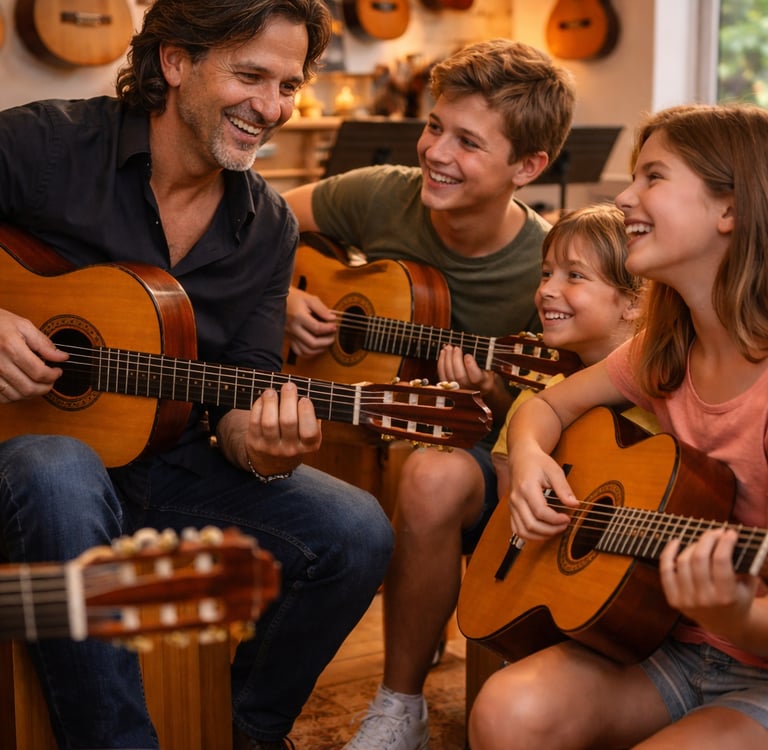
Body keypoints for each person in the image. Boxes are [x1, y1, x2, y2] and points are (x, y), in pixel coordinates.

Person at [0, 1, 394, 748]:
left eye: (288, 85)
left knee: (355, 530)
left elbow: (243, 390)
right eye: (251, 76)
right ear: (175, 61)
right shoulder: (46, 146)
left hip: (165, 469)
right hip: (23, 471)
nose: (271, 107)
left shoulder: (268, 227)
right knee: (58, 466)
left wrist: (265, 447)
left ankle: (242, 732)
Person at [283, 38, 575, 750]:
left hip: (477, 460)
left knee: (429, 474)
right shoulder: (383, 193)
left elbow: (552, 404)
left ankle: (399, 707)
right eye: (435, 126)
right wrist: (281, 294)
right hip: (358, 417)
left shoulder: (544, 271)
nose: (436, 153)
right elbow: (256, 219)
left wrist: (493, 392)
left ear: (528, 167)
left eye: (468, 142)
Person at [469, 102, 768, 750]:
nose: (625, 197)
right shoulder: (664, 348)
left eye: (652, 177)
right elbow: (548, 407)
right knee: (503, 714)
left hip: (760, 675)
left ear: (730, 208)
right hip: (668, 644)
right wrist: (529, 458)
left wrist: (739, 615)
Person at [491, 202, 647, 503]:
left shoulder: (665, 390)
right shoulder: (535, 395)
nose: (546, 290)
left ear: (634, 303)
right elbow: (509, 514)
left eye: (574, 275)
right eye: (546, 273)